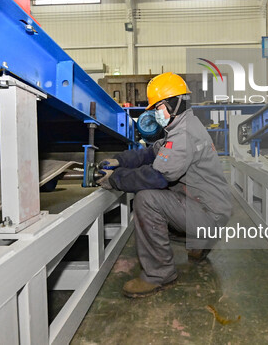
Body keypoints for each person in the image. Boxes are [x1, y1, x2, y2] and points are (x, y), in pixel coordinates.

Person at [97, 72, 232, 298]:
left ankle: (159, 274)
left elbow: (156, 176)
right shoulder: (182, 124)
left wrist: (115, 179)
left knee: (147, 199)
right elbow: (151, 152)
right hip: (210, 206)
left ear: (173, 103)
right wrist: (120, 160)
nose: (156, 113)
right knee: (166, 192)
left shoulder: (184, 134)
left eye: (158, 107)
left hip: (209, 213)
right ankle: (199, 241)